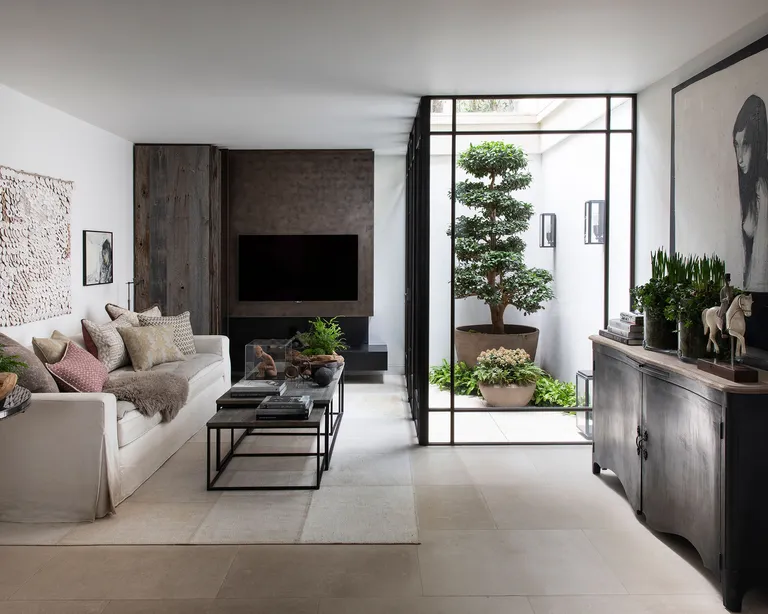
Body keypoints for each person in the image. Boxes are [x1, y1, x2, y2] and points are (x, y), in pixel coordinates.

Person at [733, 95, 768, 291]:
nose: (739, 158)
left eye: (745, 145)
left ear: (758, 143)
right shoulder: (749, 189)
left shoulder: (762, 190)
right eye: (736, 145)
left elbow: (760, 269)